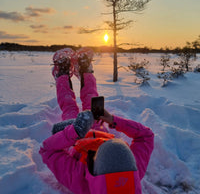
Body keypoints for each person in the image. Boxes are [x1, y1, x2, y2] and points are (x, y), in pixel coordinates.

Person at [39, 48, 154, 194]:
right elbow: (146, 137)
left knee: (69, 107)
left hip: (77, 140)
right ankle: (85, 69)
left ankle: (61, 74)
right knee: (92, 100)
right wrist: (112, 120)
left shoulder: (78, 180)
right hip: (100, 131)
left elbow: (47, 150)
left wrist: (75, 131)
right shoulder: (134, 176)